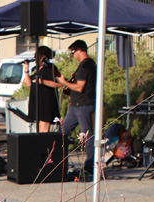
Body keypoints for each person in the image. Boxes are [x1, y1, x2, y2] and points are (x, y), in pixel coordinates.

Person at [57, 39, 98, 178]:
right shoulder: (87, 65)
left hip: (83, 105)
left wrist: (64, 82)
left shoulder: (86, 66)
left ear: (80, 50)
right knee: (63, 131)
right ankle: (58, 161)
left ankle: (90, 164)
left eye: (73, 52)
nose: (73, 55)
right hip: (77, 106)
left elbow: (80, 87)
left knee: (87, 134)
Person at [21, 45, 62, 133]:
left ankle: (44, 146)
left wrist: (43, 82)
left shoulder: (51, 68)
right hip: (37, 102)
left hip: (46, 102)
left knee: (44, 130)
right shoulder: (37, 69)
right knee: (38, 130)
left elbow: (60, 84)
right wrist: (26, 70)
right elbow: (29, 83)